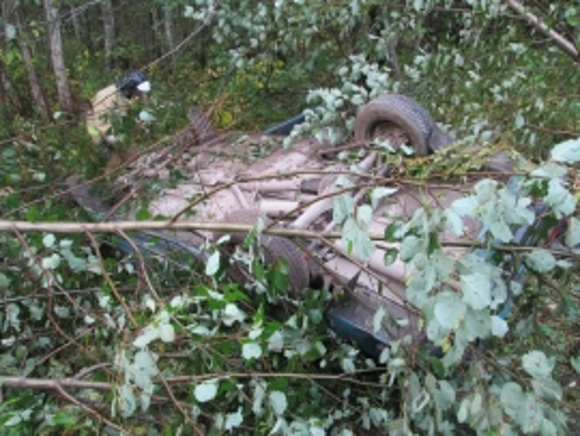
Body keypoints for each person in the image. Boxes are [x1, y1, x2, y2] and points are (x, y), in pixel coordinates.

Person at [86, 70, 151, 147]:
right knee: (122, 146)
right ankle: (104, 148)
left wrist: (143, 125)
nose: (140, 95)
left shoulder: (134, 94)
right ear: (130, 90)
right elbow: (102, 123)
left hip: (119, 123)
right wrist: (124, 139)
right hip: (100, 129)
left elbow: (145, 108)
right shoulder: (107, 96)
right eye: (138, 93)